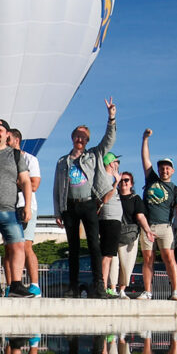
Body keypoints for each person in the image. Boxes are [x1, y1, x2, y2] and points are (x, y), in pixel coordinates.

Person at [52, 99, 117, 297]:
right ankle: (72, 287)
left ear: (87, 141)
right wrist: (57, 212)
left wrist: (111, 118)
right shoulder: (62, 161)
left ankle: (99, 285)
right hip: (69, 206)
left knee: (94, 245)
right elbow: (56, 189)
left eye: (84, 137)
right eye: (77, 136)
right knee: (73, 248)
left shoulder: (93, 155)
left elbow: (109, 140)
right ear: (72, 138)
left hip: (88, 203)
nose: (80, 139)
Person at [0, 119, 35, 297]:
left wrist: (27, 205)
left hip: (9, 210)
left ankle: (16, 284)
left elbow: (26, 181)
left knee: (18, 245)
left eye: (0, 130)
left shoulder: (16, 155)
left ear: (7, 134)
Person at [138, 129, 177, 300]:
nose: (164, 170)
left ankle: (175, 291)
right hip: (147, 227)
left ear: (172, 171)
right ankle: (147, 291)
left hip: (165, 227)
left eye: (167, 168)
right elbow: (145, 159)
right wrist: (145, 139)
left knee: (169, 257)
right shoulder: (151, 179)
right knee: (148, 259)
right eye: (162, 168)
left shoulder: (174, 189)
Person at [9, 128, 42, 291]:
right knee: (9, 248)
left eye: (8, 139)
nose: (5, 142)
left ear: (16, 140)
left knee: (26, 245)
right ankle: (10, 286)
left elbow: (34, 185)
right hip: (8, 206)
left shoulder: (30, 159)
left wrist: (13, 182)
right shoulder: (4, 160)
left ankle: (34, 285)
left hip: (26, 206)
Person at [117, 171, 151, 297]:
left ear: (131, 183)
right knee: (114, 264)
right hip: (114, 233)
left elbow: (140, 216)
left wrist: (147, 230)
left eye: (126, 180)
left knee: (127, 264)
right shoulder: (113, 196)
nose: (123, 183)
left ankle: (121, 290)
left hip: (130, 235)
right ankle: (111, 288)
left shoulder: (135, 199)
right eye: (121, 180)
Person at [96, 153, 123, 298]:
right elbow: (105, 199)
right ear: (111, 164)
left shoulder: (109, 178)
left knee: (109, 255)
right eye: (116, 161)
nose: (118, 164)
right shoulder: (105, 178)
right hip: (109, 220)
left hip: (114, 220)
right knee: (106, 255)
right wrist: (116, 183)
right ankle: (103, 286)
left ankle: (104, 286)